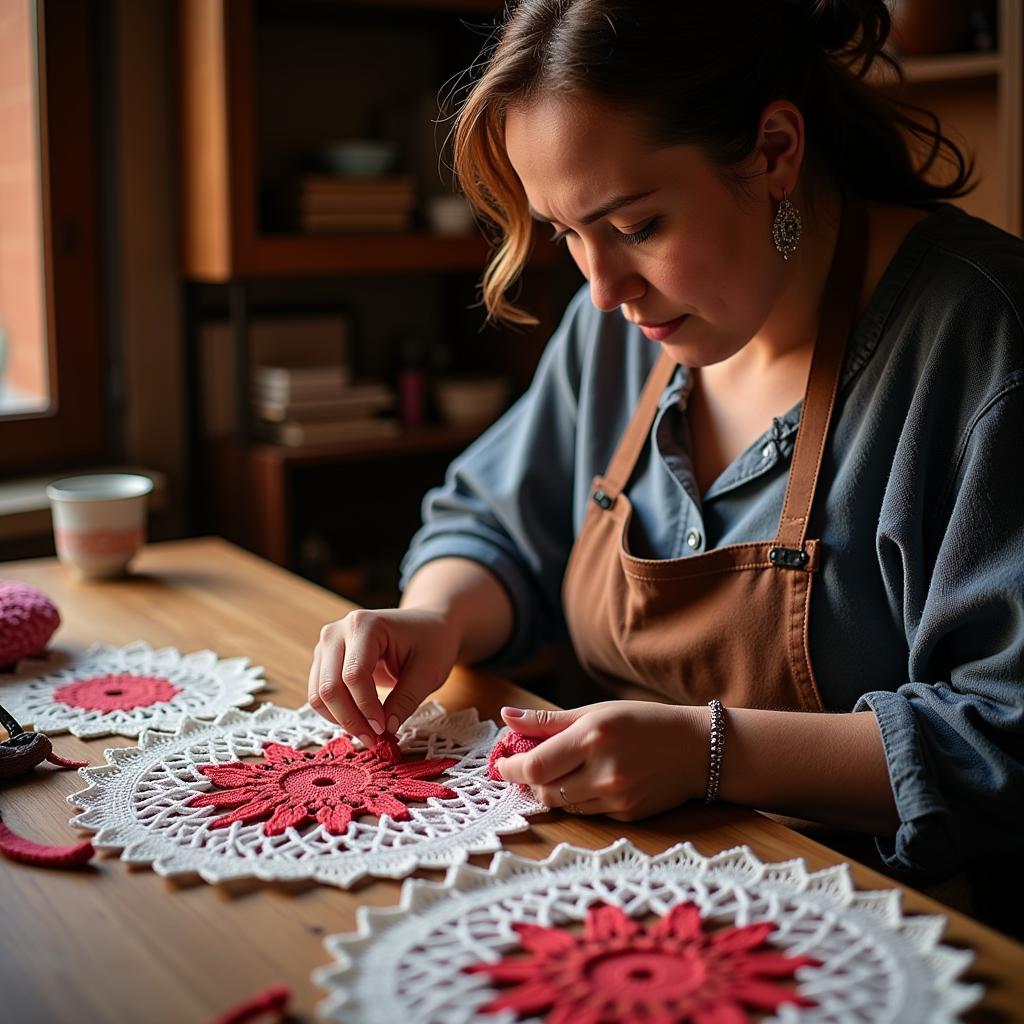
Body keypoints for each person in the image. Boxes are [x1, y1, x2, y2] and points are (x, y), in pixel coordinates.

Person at [307, 0, 1024, 900]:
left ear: (772, 152)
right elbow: (493, 524)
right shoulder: (621, 335)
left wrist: (707, 752)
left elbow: (1005, 737)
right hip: (608, 887)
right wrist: (434, 617)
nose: (602, 291)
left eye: (637, 227)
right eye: (568, 234)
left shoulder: (986, 346)